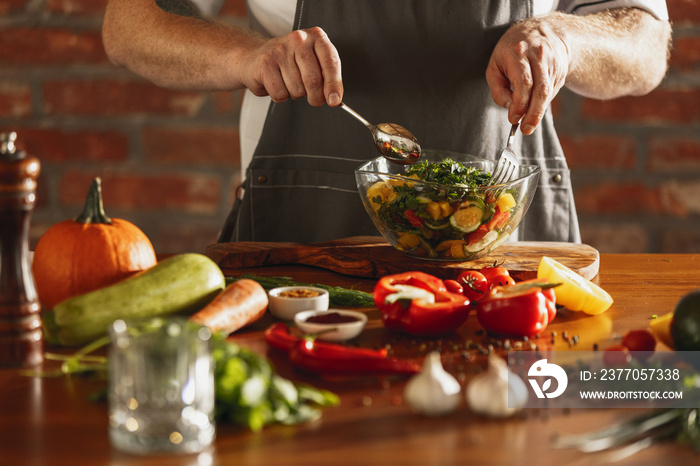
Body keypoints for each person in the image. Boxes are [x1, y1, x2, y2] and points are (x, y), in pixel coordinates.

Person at [102, 0, 672, 244]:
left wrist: (563, 39)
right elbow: (128, 22)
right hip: (300, 239)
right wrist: (244, 57)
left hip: (506, 244)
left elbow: (645, 39)